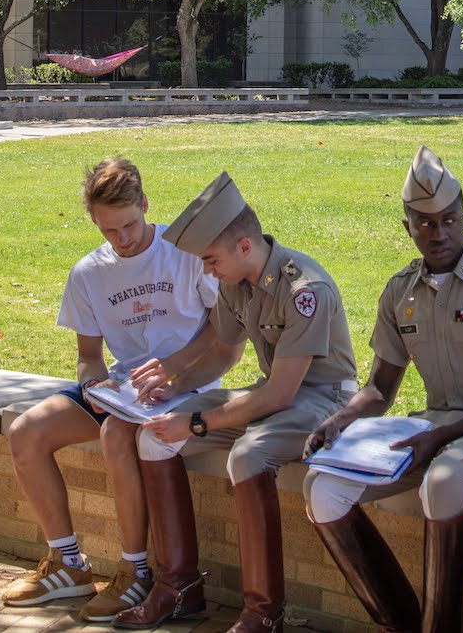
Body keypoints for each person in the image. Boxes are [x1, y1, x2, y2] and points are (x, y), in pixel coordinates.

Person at [304, 147, 463, 633]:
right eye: (424, 224)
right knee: (323, 488)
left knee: (443, 481)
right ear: (407, 227)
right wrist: (340, 420)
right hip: (434, 430)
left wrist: (442, 437)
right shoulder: (401, 292)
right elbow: (380, 386)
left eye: (448, 220)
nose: (438, 234)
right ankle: (401, 623)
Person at [116, 174, 357, 633]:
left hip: (325, 400)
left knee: (248, 455)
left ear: (244, 246)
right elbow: (225, 352)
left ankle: (262, 614)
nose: (207, 270)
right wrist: (176, 382)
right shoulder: (236, 282)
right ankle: (179, 588)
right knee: (153, 436)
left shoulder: (303, 289)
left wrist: (198, 423)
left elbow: (281, 395)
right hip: (276, 391)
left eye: (211, 259)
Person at [0, 157, 218, 617]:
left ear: (145, 204)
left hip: (188, 384)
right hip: (122, 388)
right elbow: (89, 355)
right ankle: (69, 565)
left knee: (116, 434)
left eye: (130, 225)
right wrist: (93, 383)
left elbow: (224, 332)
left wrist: (173, 369)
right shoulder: (88, 273)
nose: (123, 238)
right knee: (25, 433)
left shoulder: (186, 254)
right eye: (108, 231)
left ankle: (134, 571)